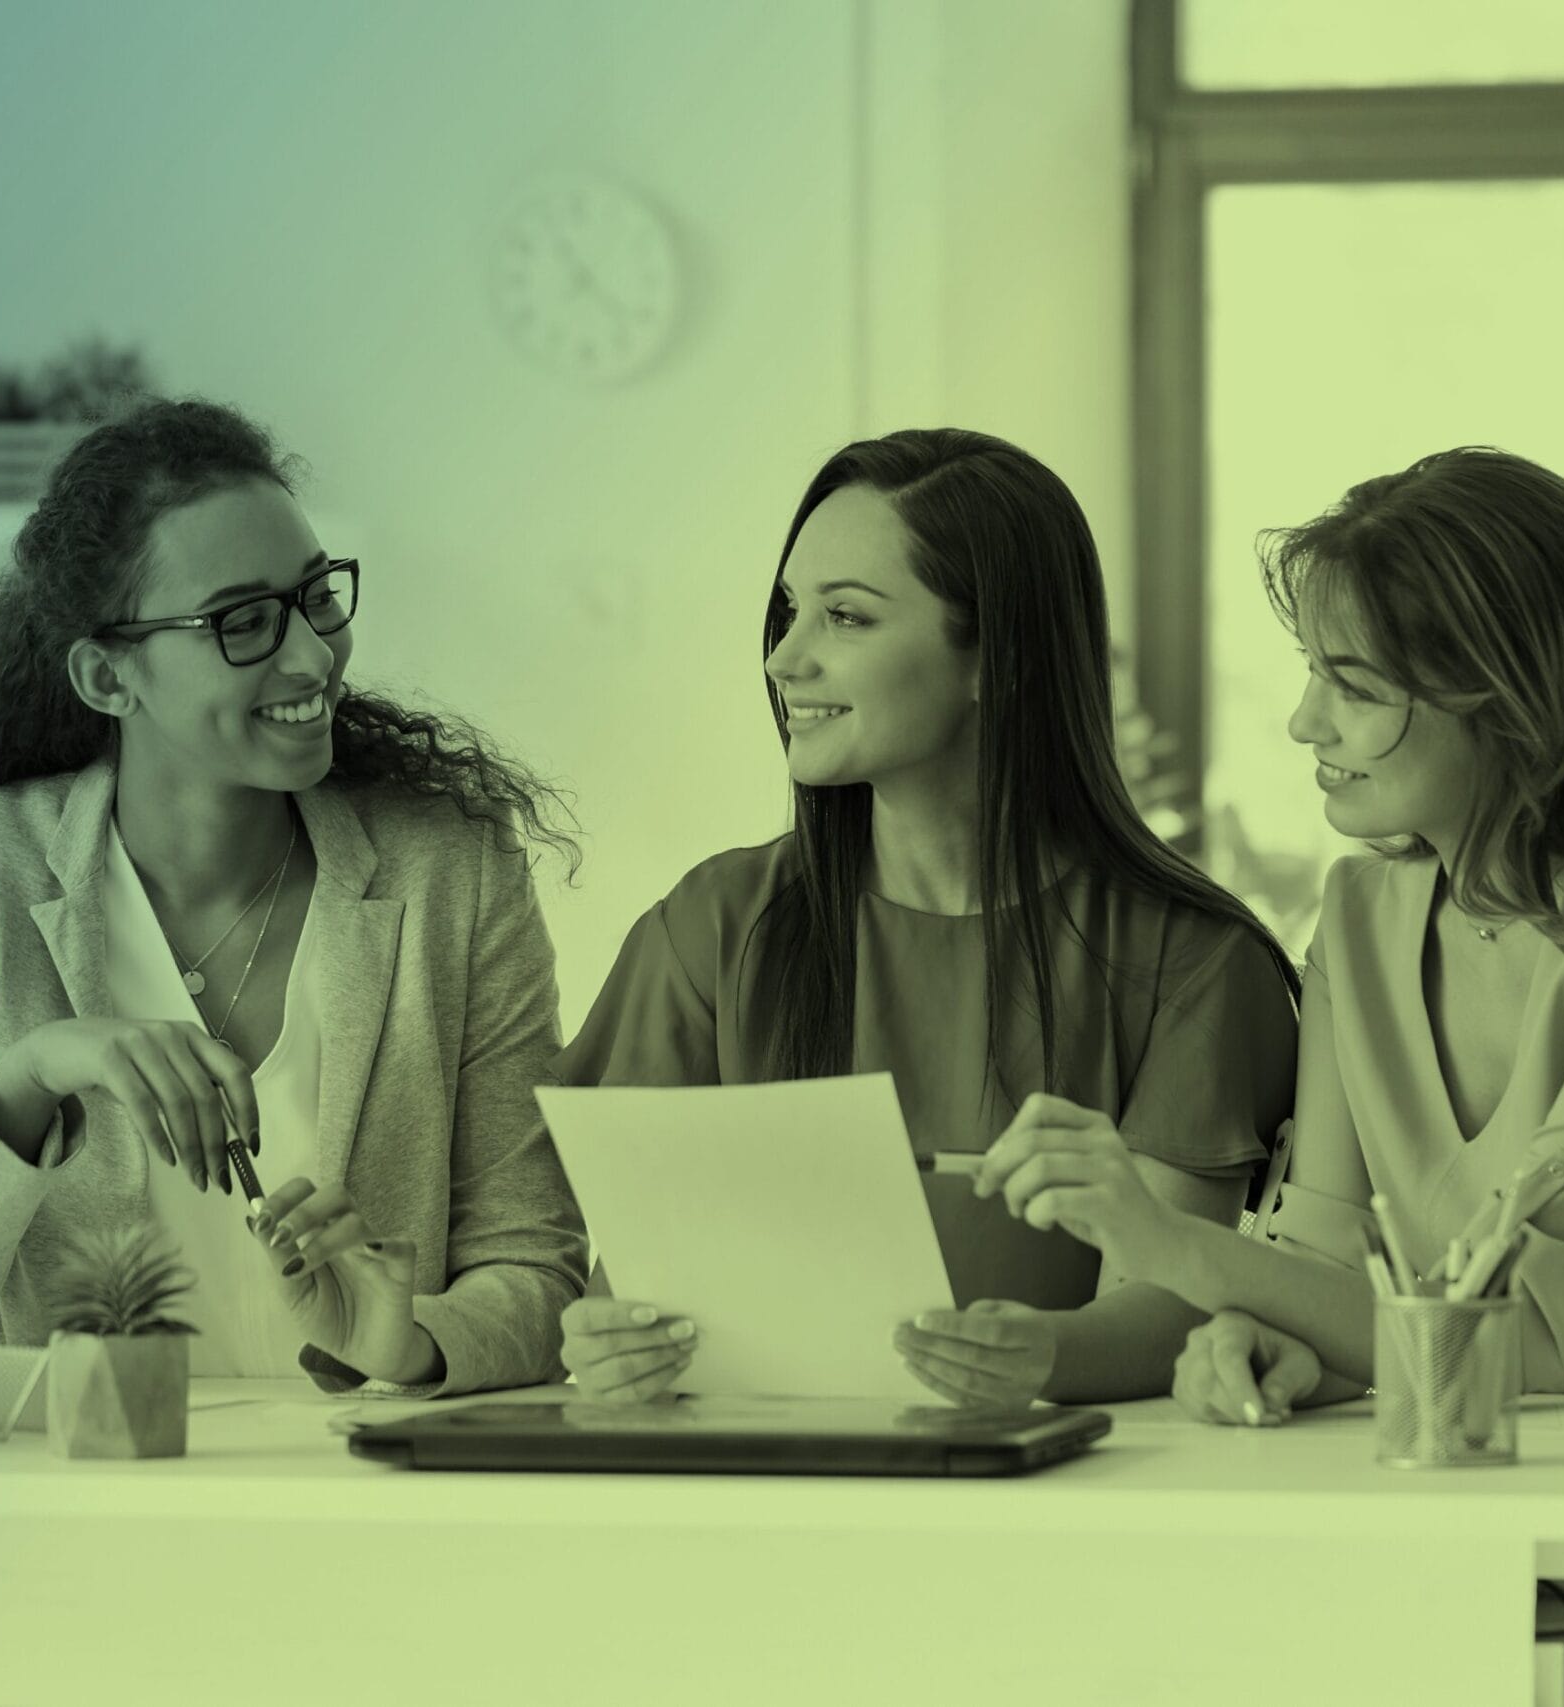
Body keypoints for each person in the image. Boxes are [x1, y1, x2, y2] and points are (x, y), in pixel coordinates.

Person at [978, 446, 1564, 1422]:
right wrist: (1274, 1340)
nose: (1305, 722)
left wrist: (1168, 1244)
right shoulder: (1360, 918)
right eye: (1314, 673)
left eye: (1353, 686)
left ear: (1514, 701)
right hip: (1491, 1454)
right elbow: (1332, 1269)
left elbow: (1501, 1327)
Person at [0, 398, 588, 1396]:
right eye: (242, 622)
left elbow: (537, 1267)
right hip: (66, 1484)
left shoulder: (450, 870)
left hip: (361, 1482)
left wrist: (405, 1339)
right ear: (107, 677)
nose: (312, 655)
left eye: (315, 596)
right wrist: (32, 1077)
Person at [556, 428, 1299, 1405]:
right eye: (787, 612)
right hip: (748, 1473)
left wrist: (1044, 1356)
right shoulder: (708, 929)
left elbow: (1176, 1299)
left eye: (845, 617)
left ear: (996, 657)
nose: (783, 658)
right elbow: (627, 1278)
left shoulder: (1195, 961)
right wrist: (606, 1341)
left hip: (1083, 1483)